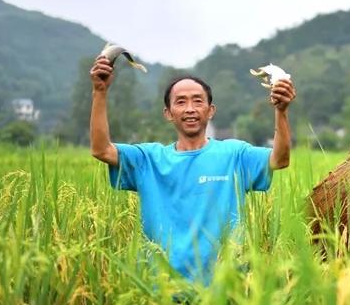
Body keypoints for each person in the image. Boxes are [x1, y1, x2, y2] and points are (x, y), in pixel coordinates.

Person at [89, 55, 296, 283]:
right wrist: (100, 92)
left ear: (210, 110)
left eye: (198, 101)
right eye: (180, 102)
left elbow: (280, 159)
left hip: (225, 288)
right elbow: (101, 150)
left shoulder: (234, 155)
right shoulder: (148, 159)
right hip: (163, 290)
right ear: (168, 113)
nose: (190, 109)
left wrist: (281, 111)